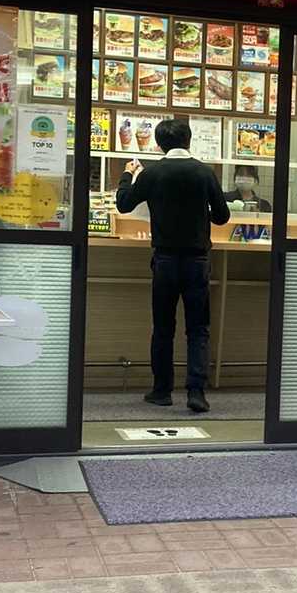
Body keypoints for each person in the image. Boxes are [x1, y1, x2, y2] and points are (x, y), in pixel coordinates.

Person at [116, 118, 230, 413]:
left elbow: (124, 204)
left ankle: (162, 390)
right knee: (198, 328)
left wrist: (128, 174)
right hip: (197, 261)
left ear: (159, 144)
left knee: (163, 327)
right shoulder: (204, 172)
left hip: (165, 260)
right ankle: (196, 392)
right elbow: (222, 217)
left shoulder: (153, 173)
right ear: (189, 140)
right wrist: (200, 212)